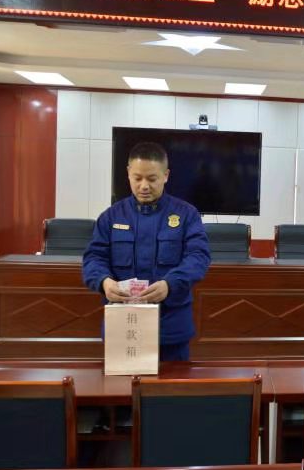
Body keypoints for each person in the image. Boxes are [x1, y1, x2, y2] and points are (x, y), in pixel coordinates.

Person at [83, 142, 211, 361]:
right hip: (122, 326)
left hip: (170, 328)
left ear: (165, 175)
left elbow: (198, 257)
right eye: (137, 178)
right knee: (121, 383)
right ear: (128, 174)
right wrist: (104, 282)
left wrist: (170, 284)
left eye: (152, 179)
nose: (144, 186)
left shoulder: (186, 215)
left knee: (172, 383)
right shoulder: (111, 217)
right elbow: (94, 257)